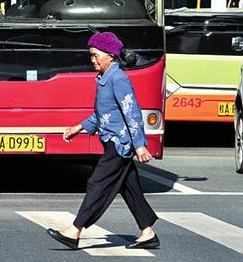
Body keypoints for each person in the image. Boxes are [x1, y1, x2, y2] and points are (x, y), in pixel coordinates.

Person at [46, 31, 160, 250]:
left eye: (96, 55)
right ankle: (147, 231)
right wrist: (78, 128)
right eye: (91, 55)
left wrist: (139, 145)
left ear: (110, 55)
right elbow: (102, 114)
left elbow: (131, 112)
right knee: (129, 187)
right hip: (112, 140)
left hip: (121, 143)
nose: (93, 60)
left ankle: (75, 230)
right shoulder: (105, 79)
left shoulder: (118, 79)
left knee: (97, 183)